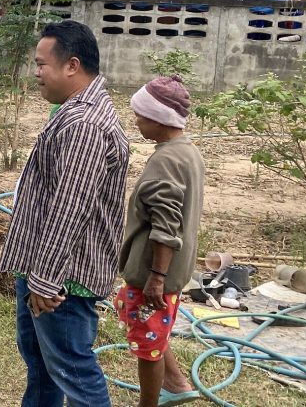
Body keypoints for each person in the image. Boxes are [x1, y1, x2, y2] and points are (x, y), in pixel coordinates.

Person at [0, 20, 130, 407]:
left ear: (72, 65)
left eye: (41, 64)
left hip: (62, 279)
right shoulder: (73, 112)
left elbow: (69, 208)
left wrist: (44, 280)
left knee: (73, 371)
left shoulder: (84, 124)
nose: (36, 73)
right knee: (42, 368)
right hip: (49, 270)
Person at [116, 76, 204, 407]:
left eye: (140, 115)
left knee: (148, 346)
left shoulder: (165, 160)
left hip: (154, 273)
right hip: (173, 272)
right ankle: (176, 382)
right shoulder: (188, 152)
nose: (136, 121)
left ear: (159, 118)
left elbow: (166, 225)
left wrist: (156, 277)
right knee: (148, 325)